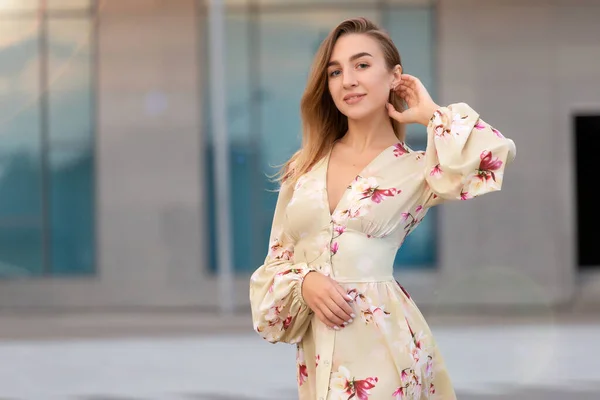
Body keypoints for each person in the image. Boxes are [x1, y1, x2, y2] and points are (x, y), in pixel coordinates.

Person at [249, 16, 516, 400]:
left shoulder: (419, 170)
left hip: (385, 350)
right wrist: (304, 283)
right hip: (318, 355)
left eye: (362, 65)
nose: (348, 80)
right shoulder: (302, 167)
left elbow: (493, 156)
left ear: (395, 77)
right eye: (335, 71)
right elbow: (273, 266)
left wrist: (430, 114)